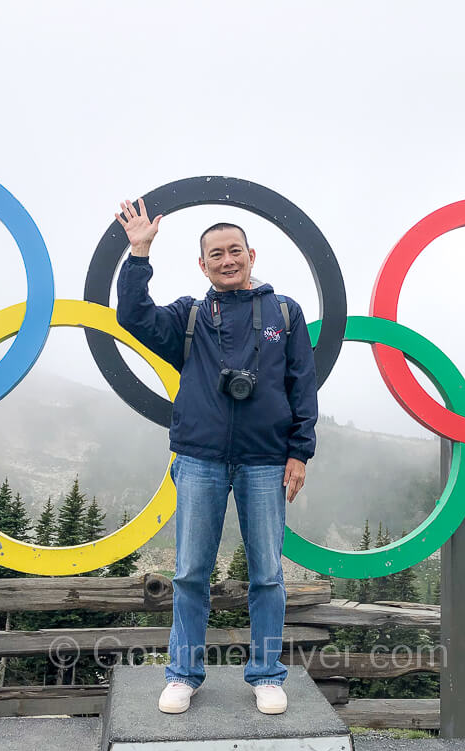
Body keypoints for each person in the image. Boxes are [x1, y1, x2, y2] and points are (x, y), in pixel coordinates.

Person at [113, 198, 318, 716]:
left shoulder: (285, 313)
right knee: (190, 572)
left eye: (234, 251)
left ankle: (268, 675)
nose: (227, 260)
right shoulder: (190, 315)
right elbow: (134, 316)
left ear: (251, 254)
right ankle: (183, 674)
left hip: (267, 460)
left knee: (268, 574)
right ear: (201, 265)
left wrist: (300, 453)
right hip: (200, 458)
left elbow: (302, 387)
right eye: (215, 255)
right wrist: (139, 252)